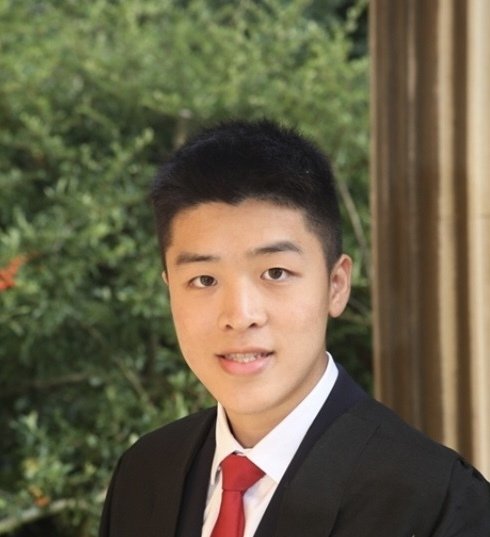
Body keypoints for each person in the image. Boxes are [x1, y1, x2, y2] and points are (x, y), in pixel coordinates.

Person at [99, 119, 490, 537]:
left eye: (276, 273)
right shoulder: (143, 475)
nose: (240, 315)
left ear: (335, 285)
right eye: (204, 279)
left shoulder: (437, 502)